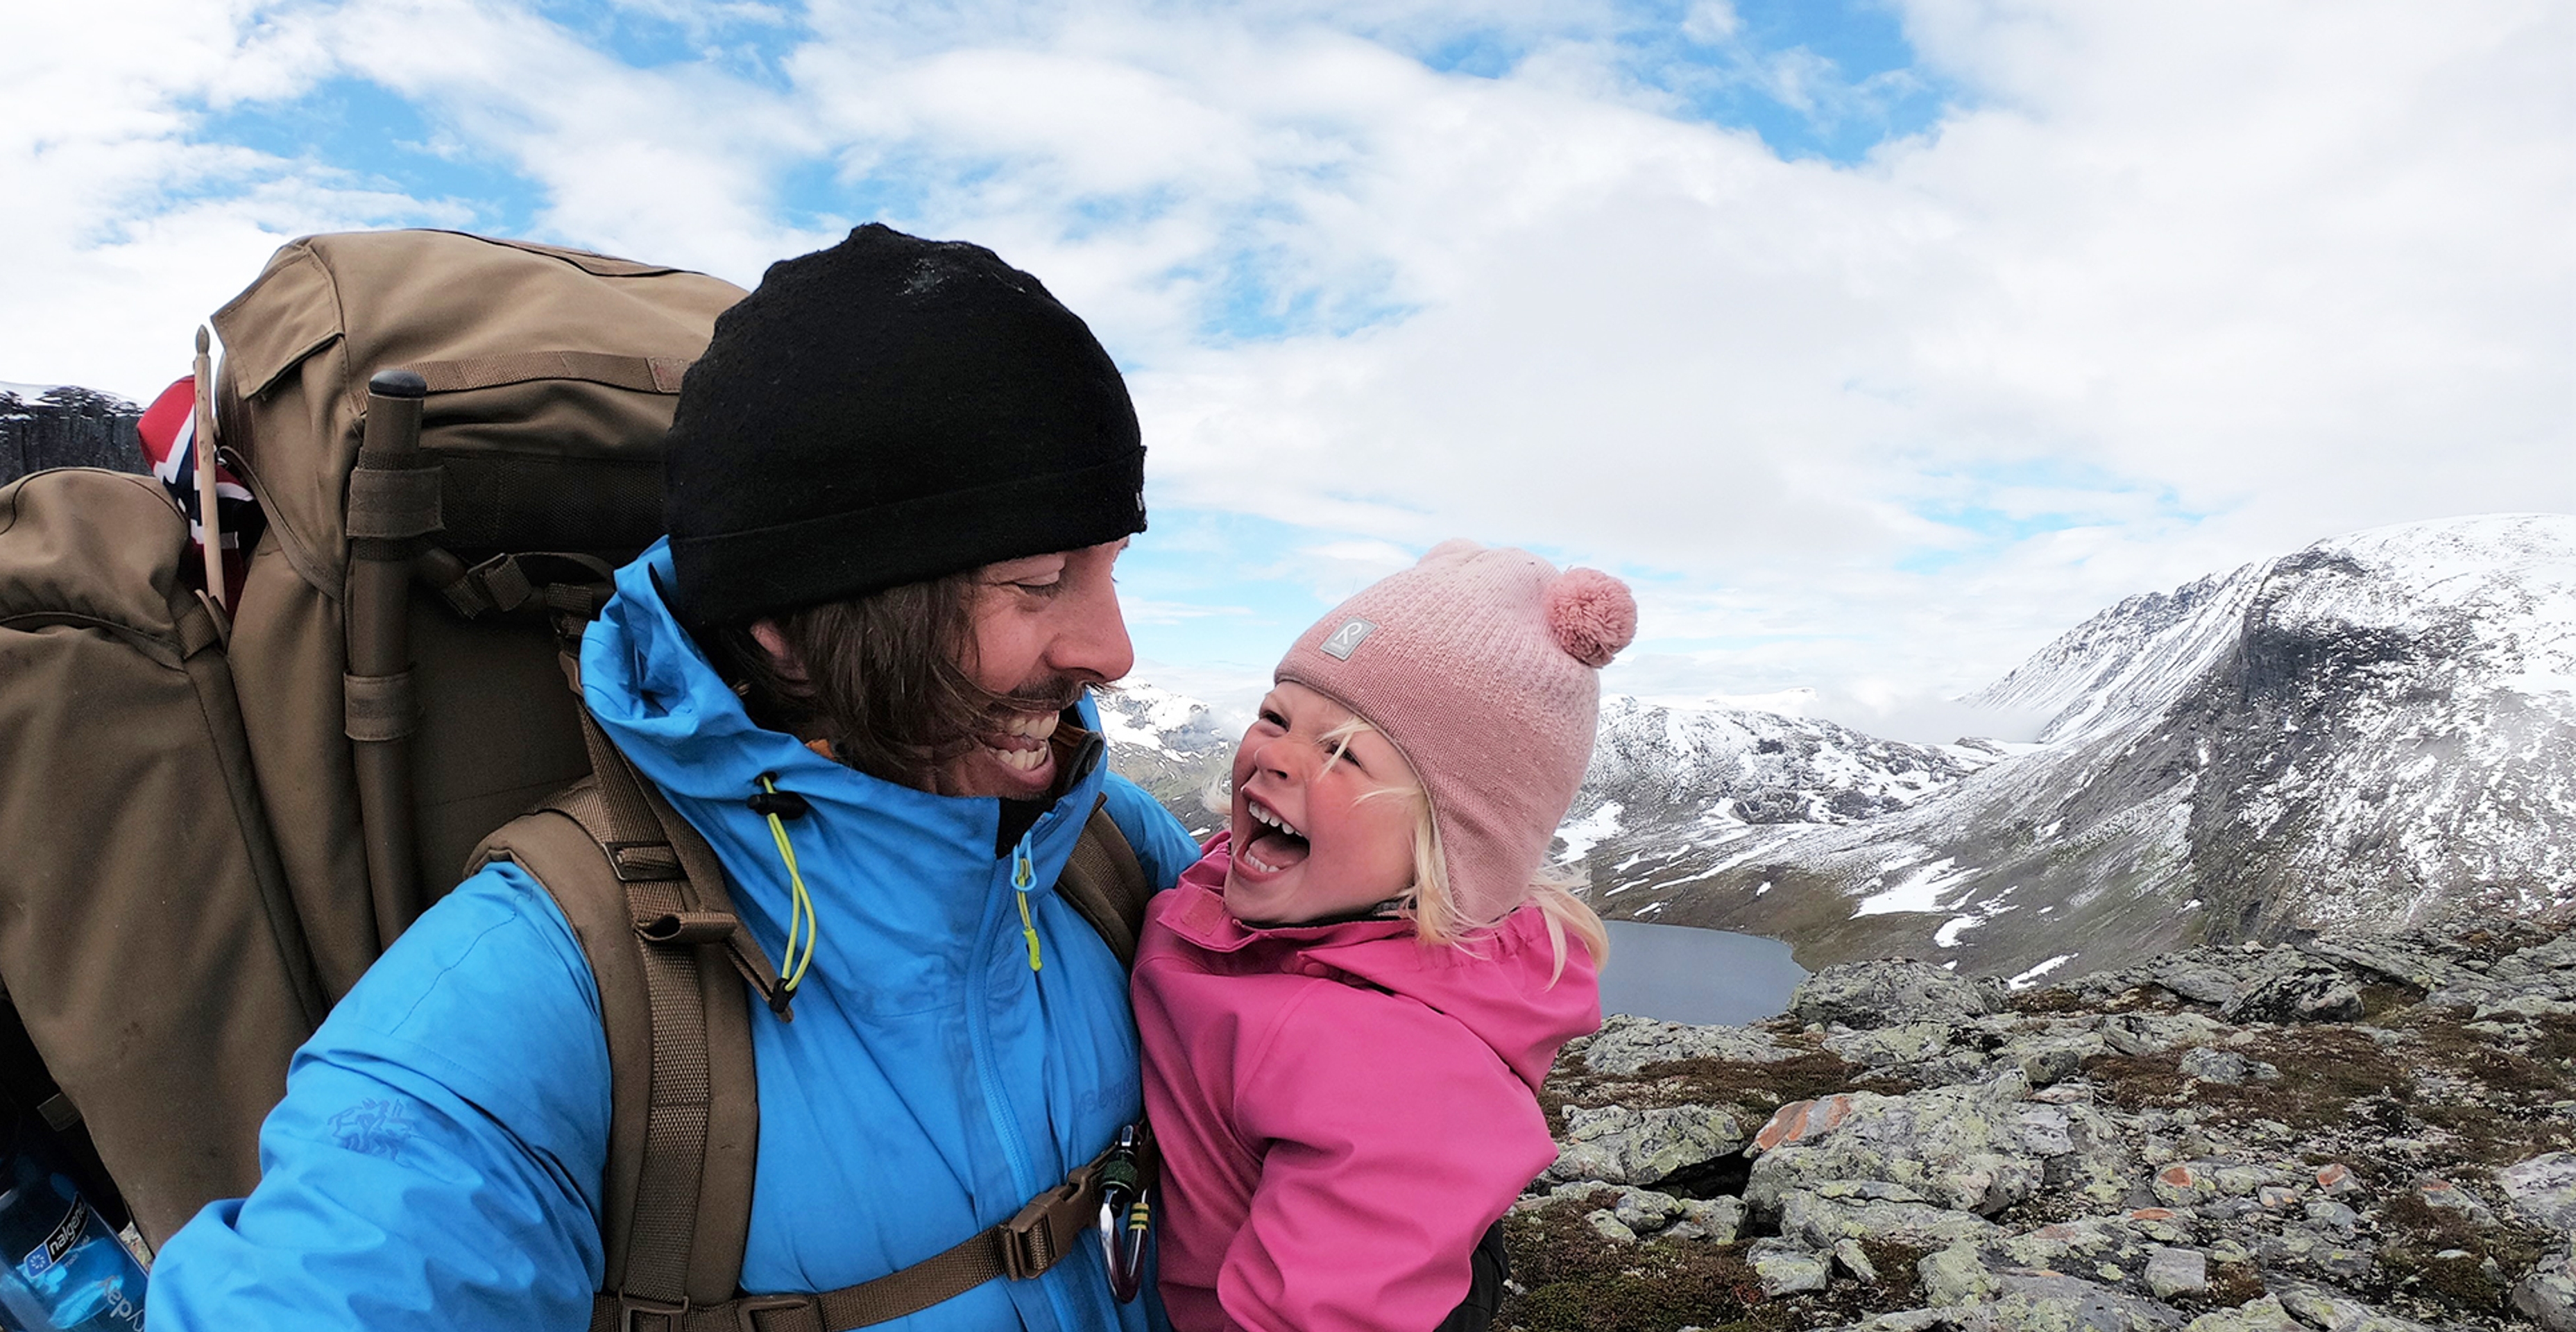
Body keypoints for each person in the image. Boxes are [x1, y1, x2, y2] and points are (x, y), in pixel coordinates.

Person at [144, 224, 1202, 1330]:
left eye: (1111, 568)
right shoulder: (538, 982)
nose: (1112, 649)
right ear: (789, 624)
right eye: (1038, 580)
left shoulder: (1103, 849)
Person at [1131, 540, 1631, 1331]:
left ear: (1449, 844)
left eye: (1342, 754)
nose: (1277, 758)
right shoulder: (1250, 894)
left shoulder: (1400, 1069)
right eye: (1275, 716)